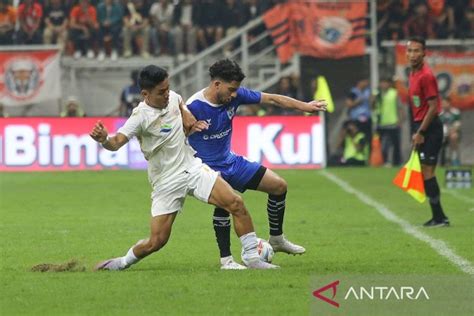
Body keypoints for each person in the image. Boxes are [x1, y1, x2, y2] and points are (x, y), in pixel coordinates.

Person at [90, 65, 277, 271]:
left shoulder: (174, 98)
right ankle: (121, 263)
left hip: (192, 167)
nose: (167, 94)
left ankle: (252, 258)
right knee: (157, 241)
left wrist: (190, 121)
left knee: (235, 203)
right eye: (161, 92)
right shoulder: (139, 117)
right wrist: (104, 139)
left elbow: (183, 110)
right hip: (166, 180)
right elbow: (116, 142)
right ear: (145, 94)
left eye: (168, 88)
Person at [185, 59, 326, 269]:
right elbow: (171, 131)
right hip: (207, 169)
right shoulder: (194, 106)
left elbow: (273, 99)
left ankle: (276, 239)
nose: (234, 95)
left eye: (236, 90)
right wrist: (188, 126)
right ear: (216, 84)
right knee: (227, 203)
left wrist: (305, 106)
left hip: (231, 161)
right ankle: (227, 260)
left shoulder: (235, 95)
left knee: (279, 186)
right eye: (231, 89)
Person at [406, 37, 449, 227]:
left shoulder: (426, 75)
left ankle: (440, 217)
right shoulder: (413, 74)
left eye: (417, 51)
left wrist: (421, 131)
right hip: (421, 126)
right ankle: (438, 216)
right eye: (410, 51)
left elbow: (433, 107)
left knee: (428, 171)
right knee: (424, 172)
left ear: (424, 53)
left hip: (430, 128)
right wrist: (416, 129)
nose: (413, 54)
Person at [373, 78, 403, 167]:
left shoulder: (394, 93)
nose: (383, 85)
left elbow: (400, 107)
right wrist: (374, 97)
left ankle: (396, 162)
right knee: (382, 144)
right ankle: (384, 161)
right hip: (381, 123)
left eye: (385, 83)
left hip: (392, 122)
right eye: (382, 83)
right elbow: (372, 106)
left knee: (395, 144)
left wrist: (400, 120)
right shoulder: (377, 94)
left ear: (389, 84)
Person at [439, 97, 461, 166]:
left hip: (452, 132)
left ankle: (454, 158)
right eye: (442, 103)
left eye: (445, 103)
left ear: (449, 103)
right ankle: (439, 160)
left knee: (454, 136)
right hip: (442, 133)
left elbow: (458, 124)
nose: (444, 105)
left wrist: (452, 130)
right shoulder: (440, 113)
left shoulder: (455, 112)